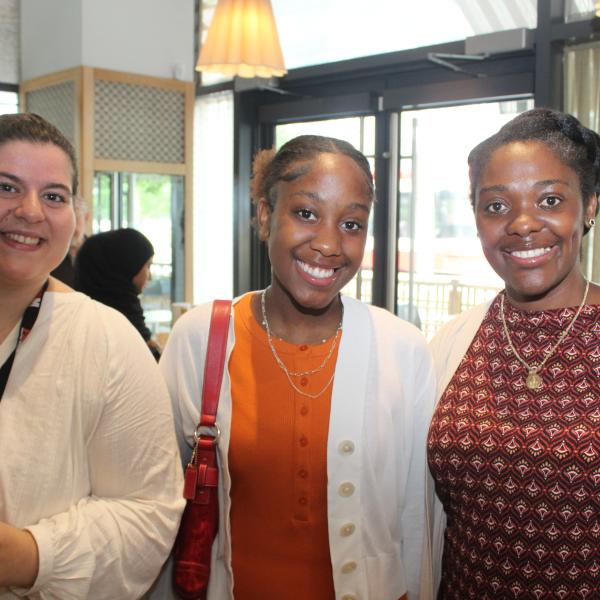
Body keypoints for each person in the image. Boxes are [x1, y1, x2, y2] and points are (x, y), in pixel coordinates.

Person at [160, 134, 435, 600]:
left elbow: (416, 518)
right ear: (266, 217)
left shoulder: (402, 350)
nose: (329, 244)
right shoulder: (202, 337)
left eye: (351, 224)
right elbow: (159, 500)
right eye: (306, 214)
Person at [0, 112, 184, 599]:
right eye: (7, 187)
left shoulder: (105, 340)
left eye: (54, 196)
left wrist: (26, 555)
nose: (31, 211)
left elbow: (150, 512)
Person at [423, 108, 600, 599]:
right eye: (496, 206)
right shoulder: (451, 343)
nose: (522, 224)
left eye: (549, 199)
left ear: (589, 207)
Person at [74, 227, 162, 360]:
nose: (150, 277)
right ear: (127, 266)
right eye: (148, 266)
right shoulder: (122, 325)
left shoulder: (81, 314)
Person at [50, 196, 89, 286]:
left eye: (75, 220)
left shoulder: (100, 255)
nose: (70, 229)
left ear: (86, 217)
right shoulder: (48, 256)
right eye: (64, 222)